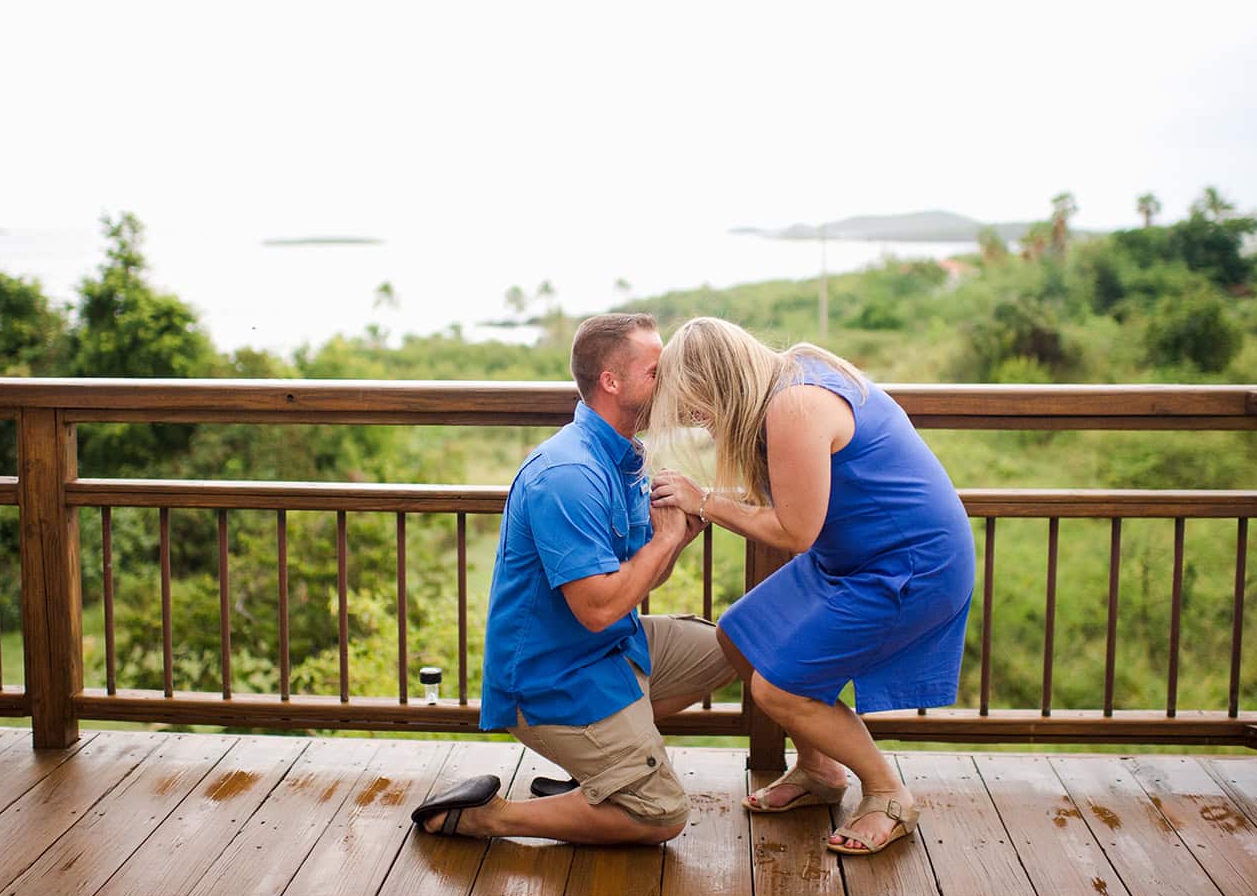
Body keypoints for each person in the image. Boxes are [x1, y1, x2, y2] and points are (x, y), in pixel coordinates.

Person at [646, 317, 973, 857]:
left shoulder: (794, 405)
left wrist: (705, 502)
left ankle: (890, 795)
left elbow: (795, 532)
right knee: (739, 636)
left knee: (779, 689)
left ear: (723, 383)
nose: (699, 420)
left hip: (911, 568)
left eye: (698, 404)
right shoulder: (790, 375)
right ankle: (821, 771)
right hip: (850, 555)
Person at [410, 313, 734, 843]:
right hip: (554, 677)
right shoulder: (569, 475)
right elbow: (599, 607)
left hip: (612, 649)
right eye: (657, 372)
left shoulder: (623, 457)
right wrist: (667, 539)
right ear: (612, 382)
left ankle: (601, 770)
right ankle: (491, 817)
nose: (671, 384)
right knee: (661, 814)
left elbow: (634, 578)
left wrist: (679, 536)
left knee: (735, 645)